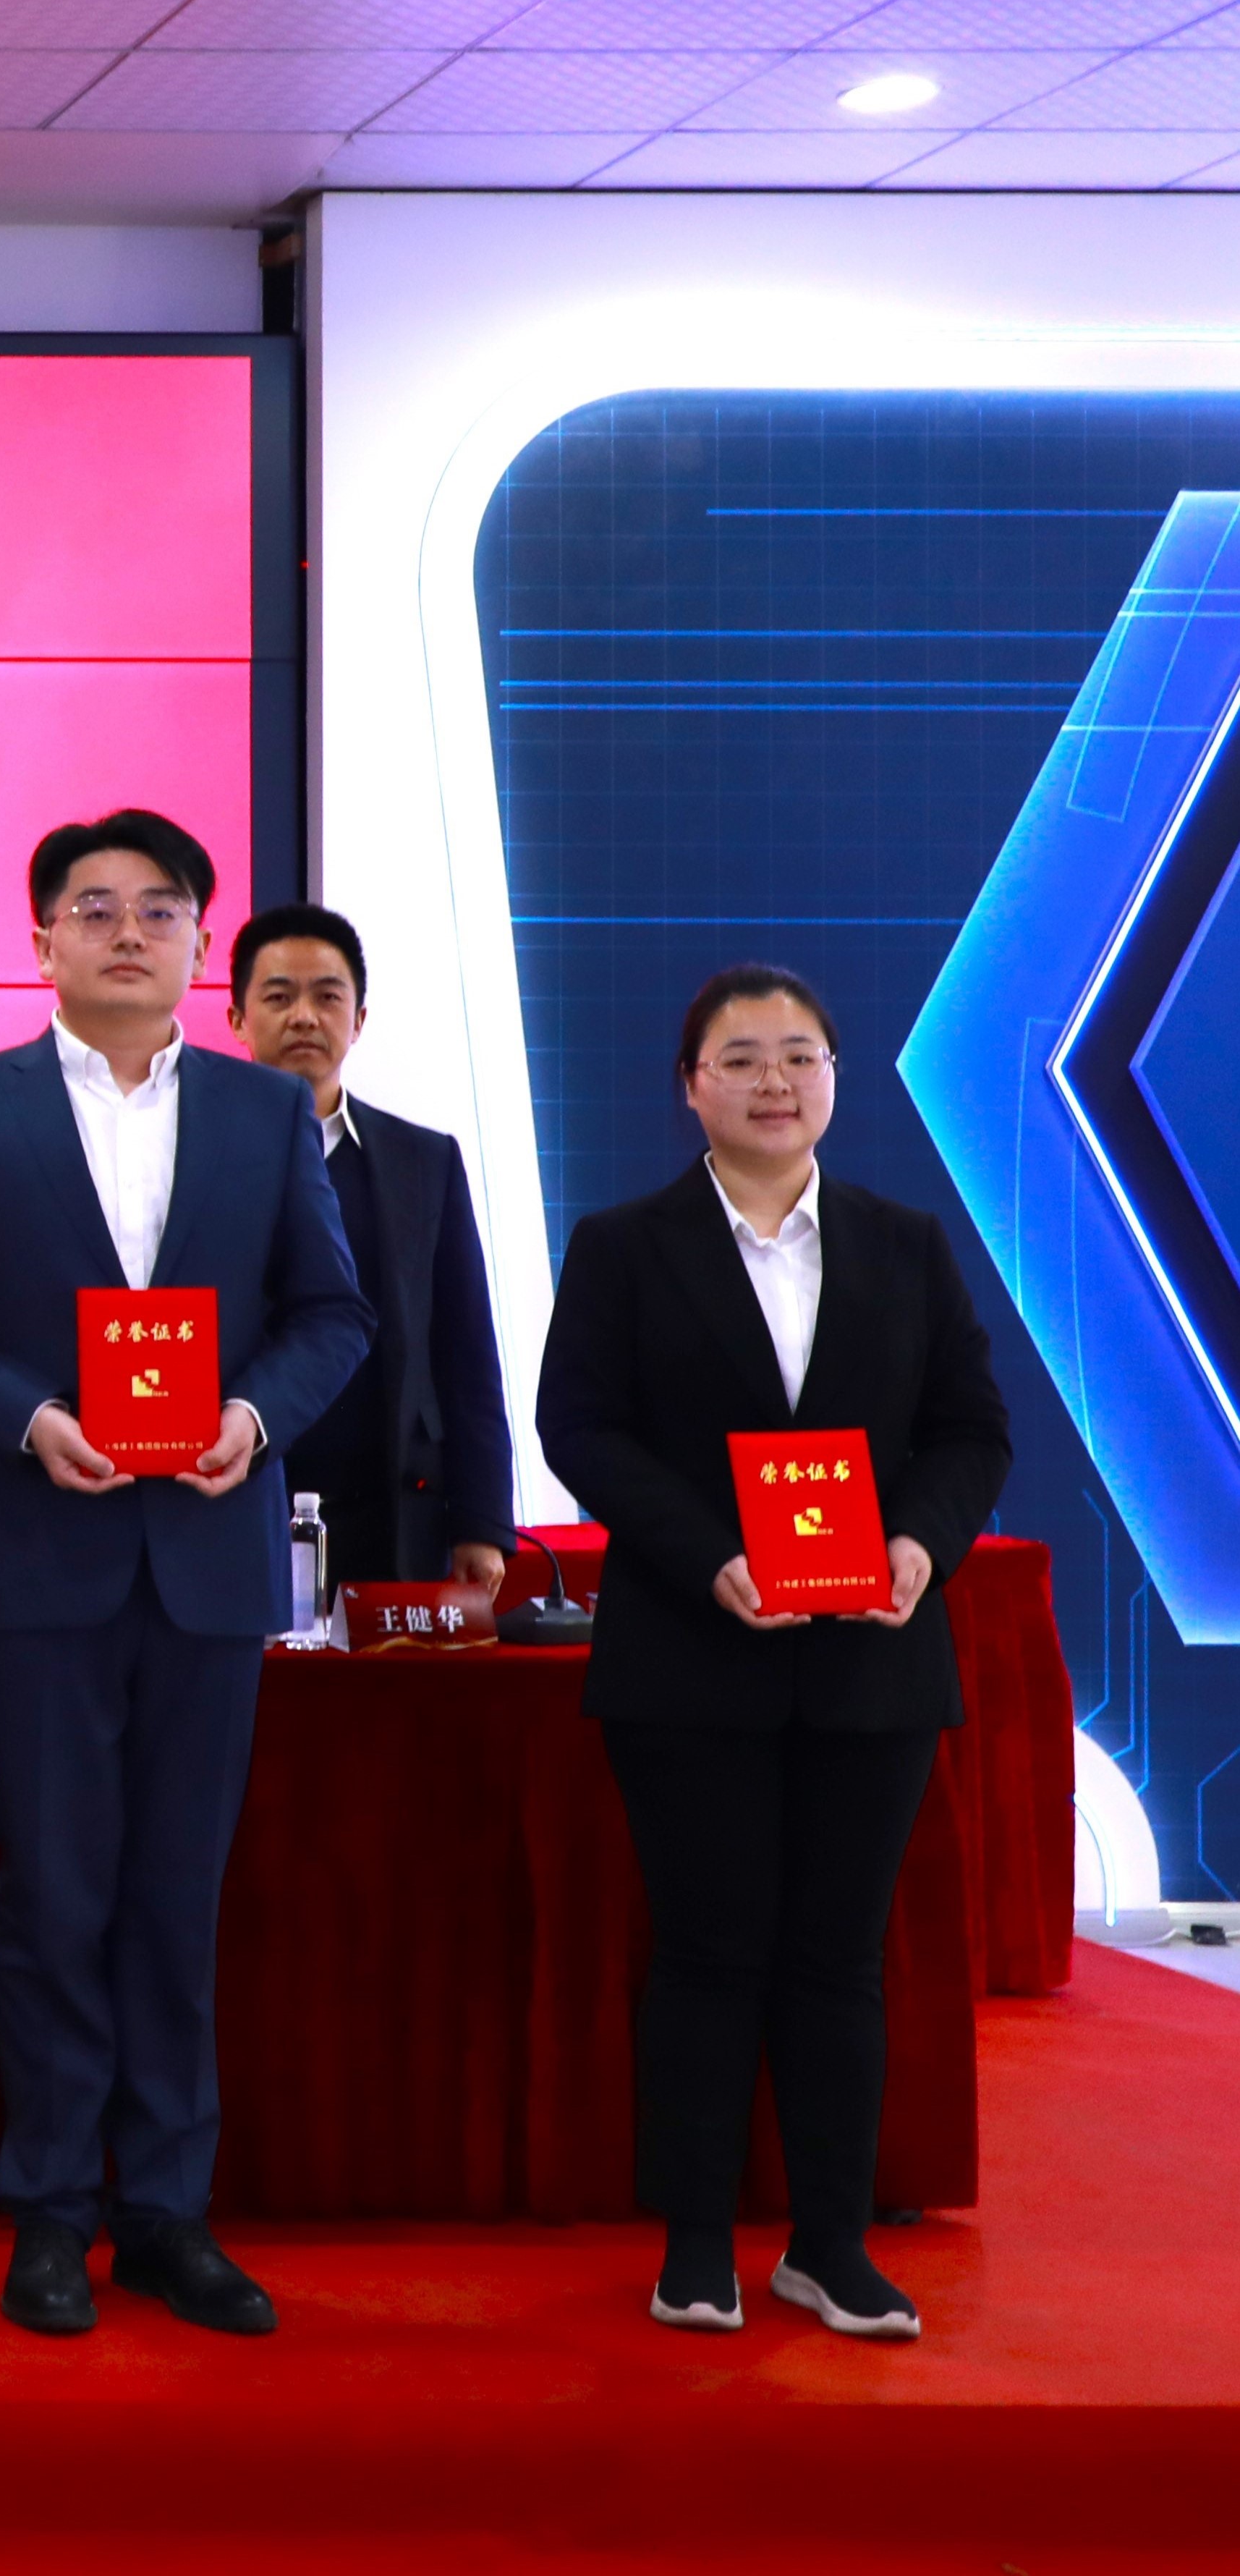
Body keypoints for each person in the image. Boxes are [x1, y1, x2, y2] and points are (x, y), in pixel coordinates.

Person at [0, 810, 370, 2341]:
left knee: (173, 1896)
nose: (127, 931)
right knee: (53, 1894)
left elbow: (329, 1316)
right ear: (41, 943)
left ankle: (163, 2211)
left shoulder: (263, 1113)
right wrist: (25, 1418)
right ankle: (47, 2212)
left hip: (208, 1554)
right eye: (93, 909)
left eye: (158, 908)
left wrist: (249, 1418)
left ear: (199, 943)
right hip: (39, 1553)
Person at [535, 966, 1008, 2342]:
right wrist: (708, 1556)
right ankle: (694, 2246)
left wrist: (917, 1545)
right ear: (688, 1085)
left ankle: (828, 2245)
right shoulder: (623, 1245)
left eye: (798, 1055)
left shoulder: (901, 1243)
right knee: (704, 1950)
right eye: (737, 1057)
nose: (771, 1081)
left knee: (837, 1958)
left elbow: (969, 1429)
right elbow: (580, 1428)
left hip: (870, 1660)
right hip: (691, 1655)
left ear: (833, 1080)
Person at [225, 904, 516, 1596]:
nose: (304, 1017)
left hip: (390, 1508)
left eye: (327, 998)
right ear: (236, 1018)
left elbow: (464, 1351)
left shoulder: (423, 1161)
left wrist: (480, 1521)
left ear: (358, 1020)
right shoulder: (193, 1154)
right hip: (230, 1494)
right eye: (278, 997)